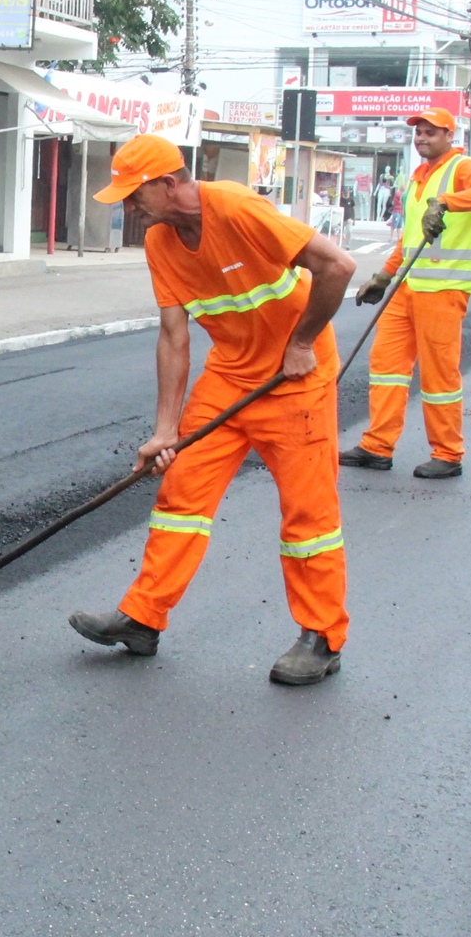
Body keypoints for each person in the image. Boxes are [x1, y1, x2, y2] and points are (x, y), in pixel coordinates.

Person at [65, 134, 359, 687]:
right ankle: (143, 618)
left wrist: (302, 343)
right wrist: (165, 431)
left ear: (170, 183)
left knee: (308, 515)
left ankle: (322, 637)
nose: (129, 209)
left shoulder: (237, 207)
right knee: (181, 493)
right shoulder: (161, 243)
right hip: (231, 376)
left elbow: (337, 267)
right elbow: (174, 338)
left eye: (135, 195)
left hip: (296, 379)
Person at [339, 107, 471, 479]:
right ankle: (377, 446)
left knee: (438, 374)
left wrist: (446, 202)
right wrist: (383, 275)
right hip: (408, 287)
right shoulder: (417, 180)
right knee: (386, 367)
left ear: (448, 135)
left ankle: (448, 453)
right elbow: (411, 238)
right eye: (419, 133)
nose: (423, 138)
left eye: (431, 132)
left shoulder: (462, 168)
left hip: (443, 288)